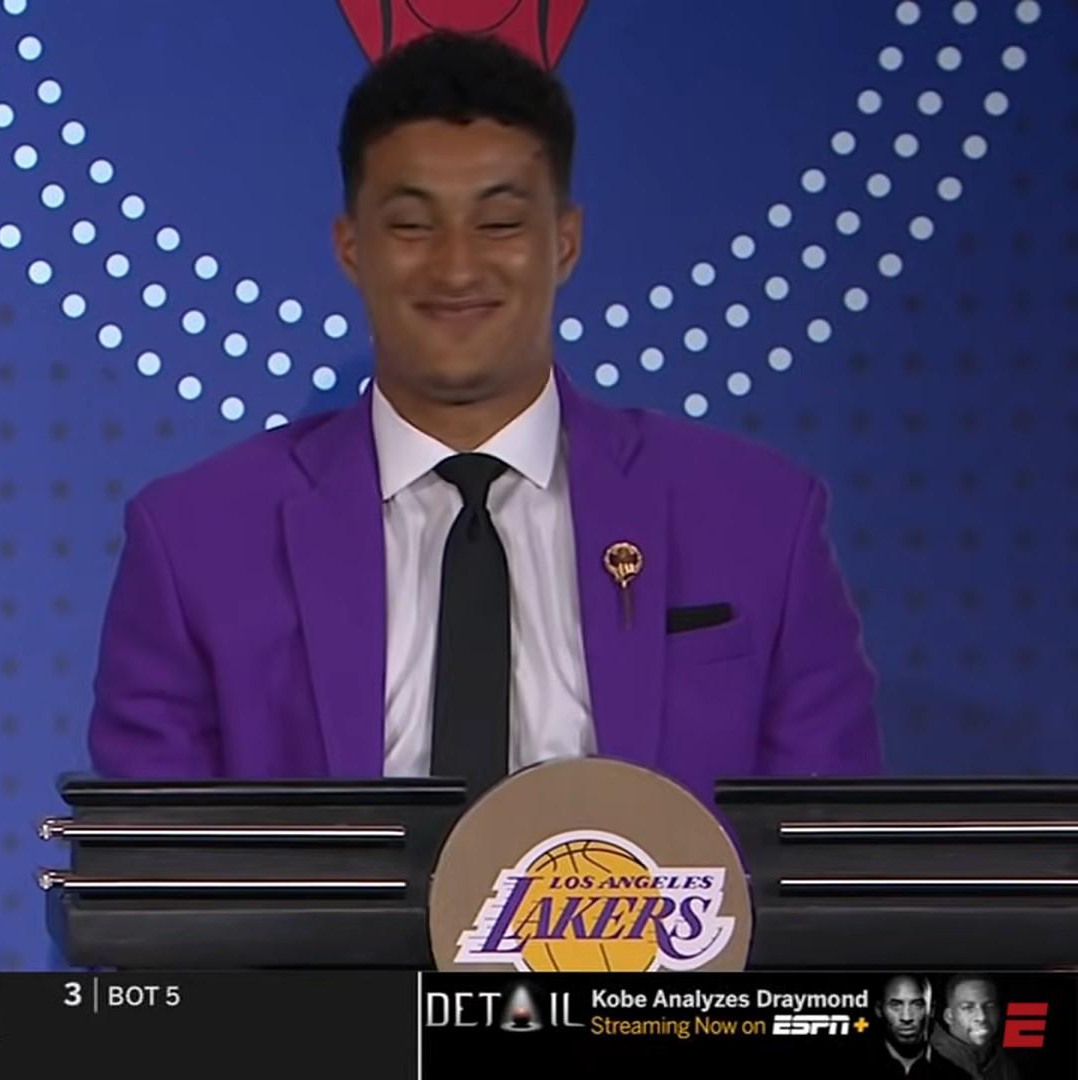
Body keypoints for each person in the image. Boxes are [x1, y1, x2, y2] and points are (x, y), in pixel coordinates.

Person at [85, 30, 882, 807]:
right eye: (411, 225)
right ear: (351, 247)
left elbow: (821, 854)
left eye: (499, 224)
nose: (457, 267)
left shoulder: (760, 520)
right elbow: (153, 870)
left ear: (564, 243)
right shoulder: (194, 544)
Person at [872, 976, 973, 1078]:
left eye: (917, 1005)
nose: (906, 1017)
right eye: (896, 1005)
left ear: (932, 1010)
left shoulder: (957, 1076)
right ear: (879, 1010)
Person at [931, 976, 1022, 1080]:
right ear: (949, 1016)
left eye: (989, 1006)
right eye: (968, 1008)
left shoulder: (1005, 1063)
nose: (982, 1017)